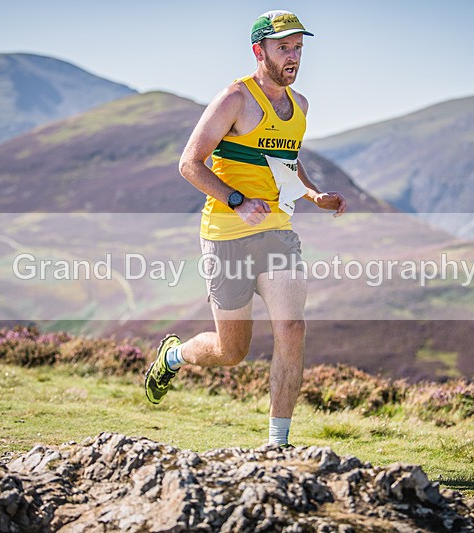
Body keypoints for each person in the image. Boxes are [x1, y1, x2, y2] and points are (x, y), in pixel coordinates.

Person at [145, 10, 346, 446]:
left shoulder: (300, 107)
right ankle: (175, 355)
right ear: (260, 51)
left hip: (277, 231)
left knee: (292, 329)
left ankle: (278, 444)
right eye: (284, 48)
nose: (293, 57)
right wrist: (236, 200)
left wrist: (313, 195)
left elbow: (287, 162)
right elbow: (189, 164)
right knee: (230, 351)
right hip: (226, 235)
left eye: (298, 49)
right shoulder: (235, 98)